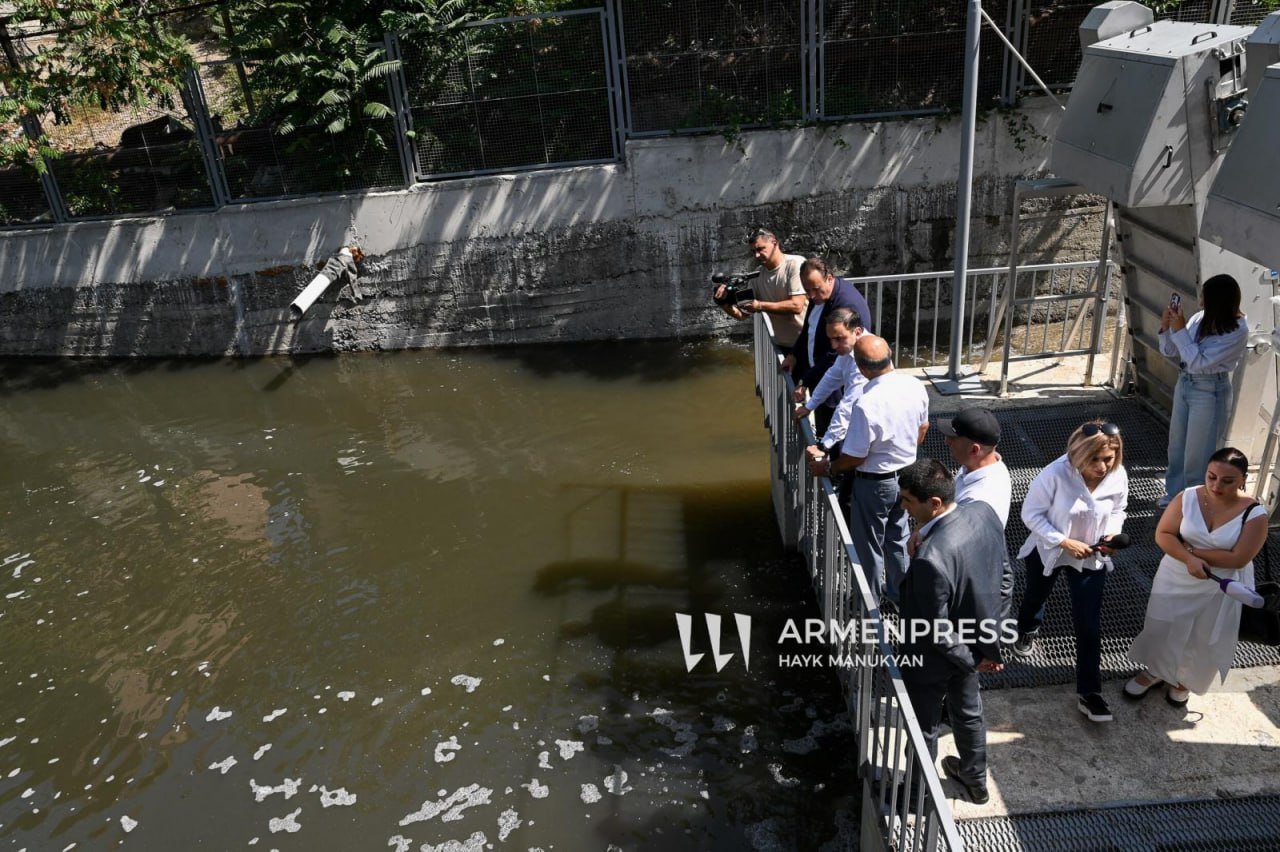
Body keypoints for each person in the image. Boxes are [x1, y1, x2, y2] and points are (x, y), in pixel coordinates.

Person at [897, 459, 1006, 805]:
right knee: (969, 713)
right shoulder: (984, 514)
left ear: (934, 503)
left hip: (933, 658)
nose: (902, 507)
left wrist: (973, 659)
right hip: (974, 644)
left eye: (907, 501)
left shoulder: (930, 558)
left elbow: (934, 627)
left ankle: (915, 792)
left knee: (923, 726)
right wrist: (989, 646)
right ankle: (975, 781)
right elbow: (1004, 578)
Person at [1126, 447, 1268, 707]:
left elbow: (1239, 558)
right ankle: (1156, 671)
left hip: (1219, 585)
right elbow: (1164, 534)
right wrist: (1189, 559)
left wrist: (1191, 551)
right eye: (1211, 477)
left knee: (1205, 635)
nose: (1216, 486)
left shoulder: (1255, 514)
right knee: (1163, 624)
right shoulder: (1187, 496)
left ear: (1243, 479)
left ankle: (1185, 681)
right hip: (1176, 574)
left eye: (1227, 481)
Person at [1012, 420, 1128, 723]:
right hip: (1049, 551)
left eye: (1109, 458)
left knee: (1089, 624)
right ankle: (1028, 628)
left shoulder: (1118, 476)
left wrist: (1112, 536)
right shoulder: (1053, 474)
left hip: (1091, 557)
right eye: (1095, 459)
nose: (1103, 466)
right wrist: (1063, 541)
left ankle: (1090, 693)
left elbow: (1118, 510)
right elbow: (1030, 514)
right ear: (1078, 453)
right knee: (1035, 597)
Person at [807, 335, 929, 602]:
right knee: (898, 536)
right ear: (891, 354)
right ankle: (900, 595)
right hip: (908, 476)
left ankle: (868, 602)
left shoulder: (866, 403)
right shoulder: (915, 385)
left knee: (869, 544)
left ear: (861, 369)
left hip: (875, 483)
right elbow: (923, 428)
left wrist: (830, 467)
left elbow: (855, 457)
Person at [1158, 274, 1249, 506]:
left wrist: (1179, 331)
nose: (1200, 301)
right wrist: (1167, 327)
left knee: (1199, 452)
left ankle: (1194, 501)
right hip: (1187, 383)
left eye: (1204, 296)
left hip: (1210, 390)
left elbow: (1197, 361)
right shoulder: (1201, 318)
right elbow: (1171, 351)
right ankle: (1174, 495)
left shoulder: (1238, 329)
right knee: (1177, 445)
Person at [936, 407, 1014, 620]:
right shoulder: (983, 464)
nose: (946, 441)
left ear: (974, 449)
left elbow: (954, 548)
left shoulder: (978, 498)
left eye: (954, 438)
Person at [786, 257, 873, 436]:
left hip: (839, 387)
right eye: (807, 290)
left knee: (838, 426)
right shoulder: (820, 296)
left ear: (830, 278)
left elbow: (834, 357)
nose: (811, 295)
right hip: (823, 373)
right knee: (826, 422)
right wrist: (794, 354)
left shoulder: (845, 305)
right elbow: (808, 329)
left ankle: (830, 458)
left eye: (815, 289)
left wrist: (806, 381)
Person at [792, 307, 867, 455]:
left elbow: (847, 407)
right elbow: (832, 377)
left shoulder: (863, 359)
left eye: (839, 339)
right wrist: (809, 406)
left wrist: (823, 446)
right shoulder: (850, 348)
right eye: (831, 339)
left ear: (857, 332)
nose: (833, 346)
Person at [715, 229, 806, 349]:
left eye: (760, 249)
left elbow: (797, 306)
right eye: (753, 251)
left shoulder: (795, 264)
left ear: (774, 242)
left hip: (809, 343)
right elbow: (742, 314)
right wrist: (724, 303)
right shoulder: (756, 275)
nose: (756, 255)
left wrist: (759, 306)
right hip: (784, 347)